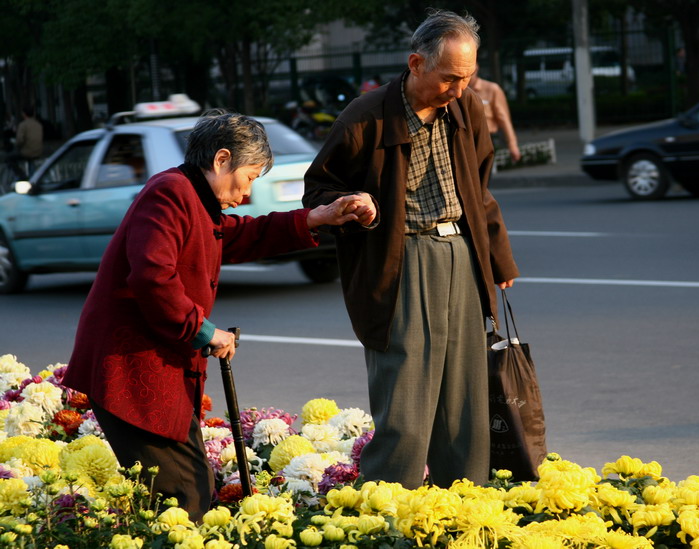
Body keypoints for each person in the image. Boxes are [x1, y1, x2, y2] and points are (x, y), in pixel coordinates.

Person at [63, 110, 372, 521]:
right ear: (222, 159)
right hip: (131, 371)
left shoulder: (193, 197)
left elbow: (237, 235)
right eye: (249, 177)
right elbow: (153, 277)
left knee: (190, 488)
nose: (246, 194)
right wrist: (205, 331)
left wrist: (317, 217)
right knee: (183, 495)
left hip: (158, 370)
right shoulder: (170, 193)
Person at [303, 9, 518, 488]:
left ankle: (464, 509)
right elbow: (317, 188)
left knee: (465, 402)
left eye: (469, 78)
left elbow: (479, 189)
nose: (460, 89)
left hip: (460, 252)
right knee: (405, 402)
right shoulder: (366, 117)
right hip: (400, 260)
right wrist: (349, 204)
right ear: (416, 63)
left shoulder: (468, 108)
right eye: (450, 78)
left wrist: (497, 258)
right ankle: (388, 514)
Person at [469, 65, 521, 163]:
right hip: (462, 140)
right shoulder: (457, 90)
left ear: (476, 68)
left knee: (482, 176)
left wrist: (512, 145)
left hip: (485, 139)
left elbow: (504, 118)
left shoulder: (491, 89)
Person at [7, 105, 43, 178]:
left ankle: (22, 176)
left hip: (27, 152)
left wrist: (16, 143)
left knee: (9, 159)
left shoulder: (23, 125)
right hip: (38, 151)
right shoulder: (38, 124)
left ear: (24, 114)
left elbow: (20, 140)